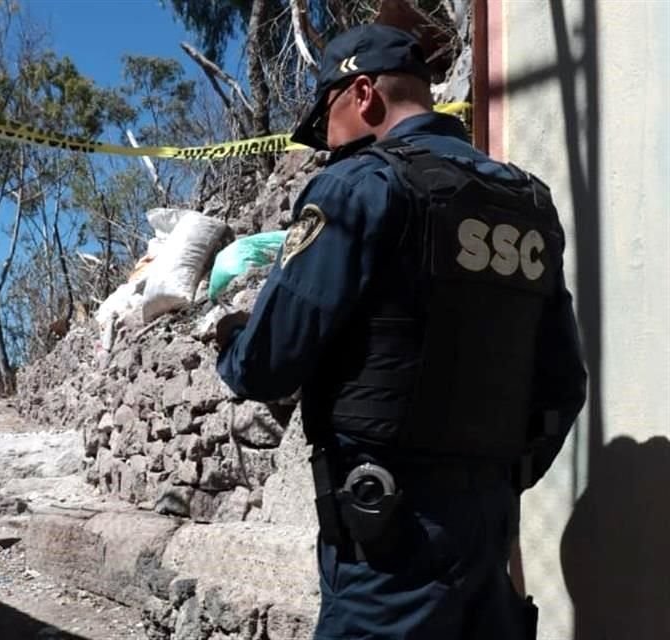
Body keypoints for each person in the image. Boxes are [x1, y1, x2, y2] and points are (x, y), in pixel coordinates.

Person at [214, 23, 587, 640]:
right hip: (489, 525)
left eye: (325, 120)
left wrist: (230, 341)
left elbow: (268, 363)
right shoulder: (528, 203)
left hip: (385, 534)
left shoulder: (359, 188)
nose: (326, 147)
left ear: (363, 94)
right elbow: (563, 384)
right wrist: (489, 473)